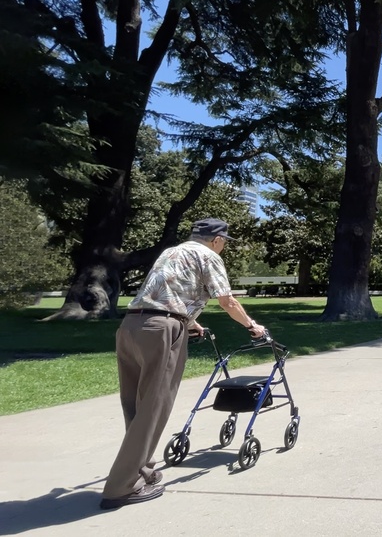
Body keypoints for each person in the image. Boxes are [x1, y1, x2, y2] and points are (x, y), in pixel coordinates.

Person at [100, 218, 266, 510]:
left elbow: (164, 294)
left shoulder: (170, 252)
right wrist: (253, 325)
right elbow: (227, 301)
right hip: (162, 330)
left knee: (136, 406)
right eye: (224, 242)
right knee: (155, 405)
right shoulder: (209, 256)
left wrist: (191, 322)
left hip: (130, 326)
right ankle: (122, 487)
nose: (224, 247)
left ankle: (142, 469)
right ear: (216, 240)